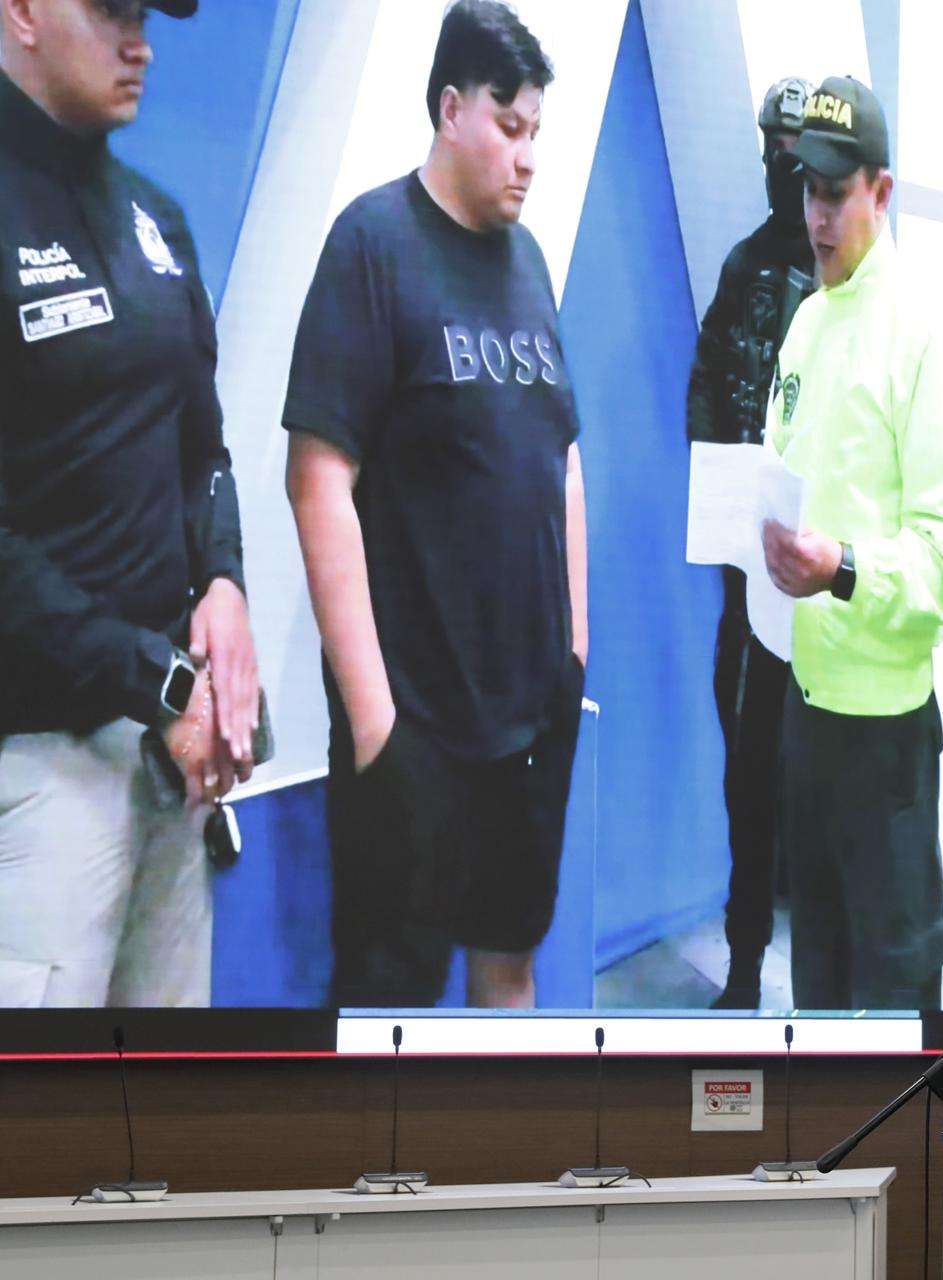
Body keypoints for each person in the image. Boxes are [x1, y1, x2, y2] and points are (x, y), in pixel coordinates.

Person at [0, 0, 257, 1009]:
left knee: (160, 1126)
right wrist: (161, 680)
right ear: (19, 10)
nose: (139, 39)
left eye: (146, 13)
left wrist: (225, 583)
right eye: (110, 11)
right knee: (14, 1141)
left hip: (165, 766)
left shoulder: (160, 220)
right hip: (26, 768)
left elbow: (204, 448)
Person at [284, 0, 585, 1010]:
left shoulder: (530, 264)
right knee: (387, 1005)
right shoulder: (372, 244)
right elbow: (317, 476)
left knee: (511, 970)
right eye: (509, 124)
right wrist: (375, 726)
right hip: (413, 729)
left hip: (527, 726)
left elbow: (563, 458)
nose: (527, 154)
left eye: (537, 130)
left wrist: (573, 656)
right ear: (449, 107)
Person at [763, 75, 943, 1011]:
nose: (819, 214)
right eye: (808, 190)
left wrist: (841, 568)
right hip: (805, 713)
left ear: (880, 194)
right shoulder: (805, 325)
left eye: (837, 193)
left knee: (893, 1000)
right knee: (818, 985)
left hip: (886, 736)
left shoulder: (924, 335)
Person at [685, 75, 816, 1009]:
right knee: (747, 764)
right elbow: (703, 381)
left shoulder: (835, 273)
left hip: (822, 578)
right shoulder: (743, 265)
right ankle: (743, 957)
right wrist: (719, 477)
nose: (783, 165)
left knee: (817, 772)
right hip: (743, 576)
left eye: (796, 151)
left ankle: (819, 961)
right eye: (772, 147)